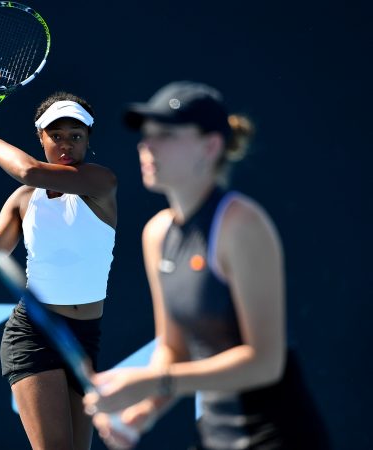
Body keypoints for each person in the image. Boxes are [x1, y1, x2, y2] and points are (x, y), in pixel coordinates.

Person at [83, 81, 330, 449]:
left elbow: (265, 362)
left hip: (280, 438)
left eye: (165, 134)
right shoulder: (157, 234)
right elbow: (174, 347)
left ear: (211, 146)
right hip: (216, 437)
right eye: (146, 135)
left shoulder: (242, 224)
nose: (147, 145)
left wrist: (154, 382)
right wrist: (144, 410)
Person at [0, 92, 118, 450]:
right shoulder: (24, 200)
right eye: (55, 135)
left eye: (75, 136)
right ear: (40, 138)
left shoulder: (100, 182)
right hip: (33, 335)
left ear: (88, 140)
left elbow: (27, 169)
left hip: (84, 339)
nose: (65, 144)